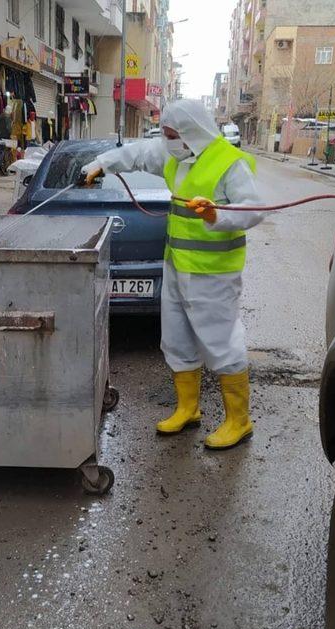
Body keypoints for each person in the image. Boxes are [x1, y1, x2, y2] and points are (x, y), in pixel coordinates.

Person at [82, 100, 266, 450]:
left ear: (190, 133)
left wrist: (217, 216)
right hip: (177, 266)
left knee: (221, 343)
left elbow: (253, 210)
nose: (165, 142)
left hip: (214, 274)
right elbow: (137, 154)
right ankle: (187, 409)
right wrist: (100, 165)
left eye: (171, 135)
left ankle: (239, 420)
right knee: (176, 340)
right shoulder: (174, 153)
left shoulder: (230, 163)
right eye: (165, 136)